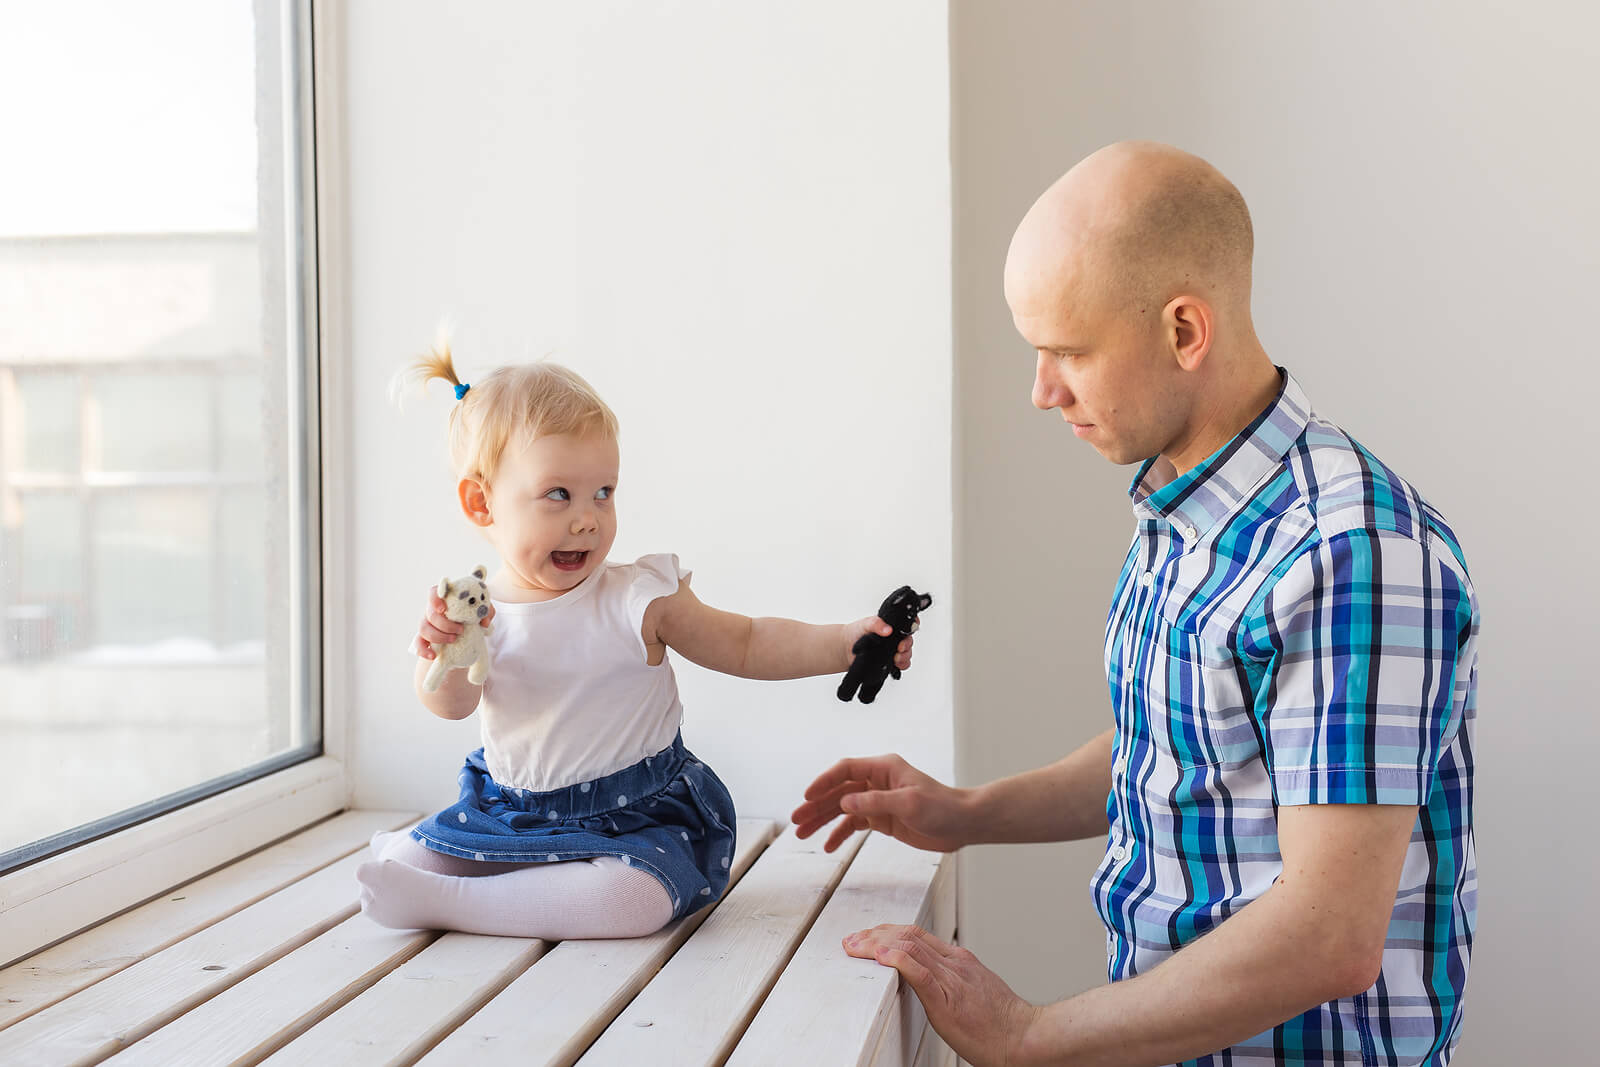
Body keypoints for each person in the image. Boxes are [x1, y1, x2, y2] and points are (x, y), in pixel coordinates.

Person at [792, 141, 1478, 1067]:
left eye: (1067, 349)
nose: (1041, 391)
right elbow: (1172, 751)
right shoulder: (1182, 507)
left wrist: (1025, 1035)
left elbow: (1330, 935)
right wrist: (964, 811)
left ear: (1184, 331)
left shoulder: (1352, 553)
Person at [356, 346, 914, 940]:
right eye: (558, 495)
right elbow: (451, 705)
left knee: (630, 902)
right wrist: (437, 652)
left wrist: (844, 645)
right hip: (511, 813)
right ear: (481, 502)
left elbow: (747, 643)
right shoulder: (476, 610)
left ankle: (453, 903)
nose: (588, 519)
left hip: (634, 820)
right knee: (403, 862)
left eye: (604, 492)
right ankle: (457, 881)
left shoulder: (637, 598)